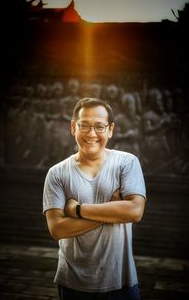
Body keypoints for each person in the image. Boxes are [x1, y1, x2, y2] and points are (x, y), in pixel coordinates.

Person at [43, 97, 146, 300]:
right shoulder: (56, 173)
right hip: (72, 282)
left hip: (121, 281)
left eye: (100, 126)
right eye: (84, 126)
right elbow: (57, 229)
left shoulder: (127, 163)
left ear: (111, 129)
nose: (91, 134)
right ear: (73, 127)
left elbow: (135, 212)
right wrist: (113, 209)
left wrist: (77, 210)